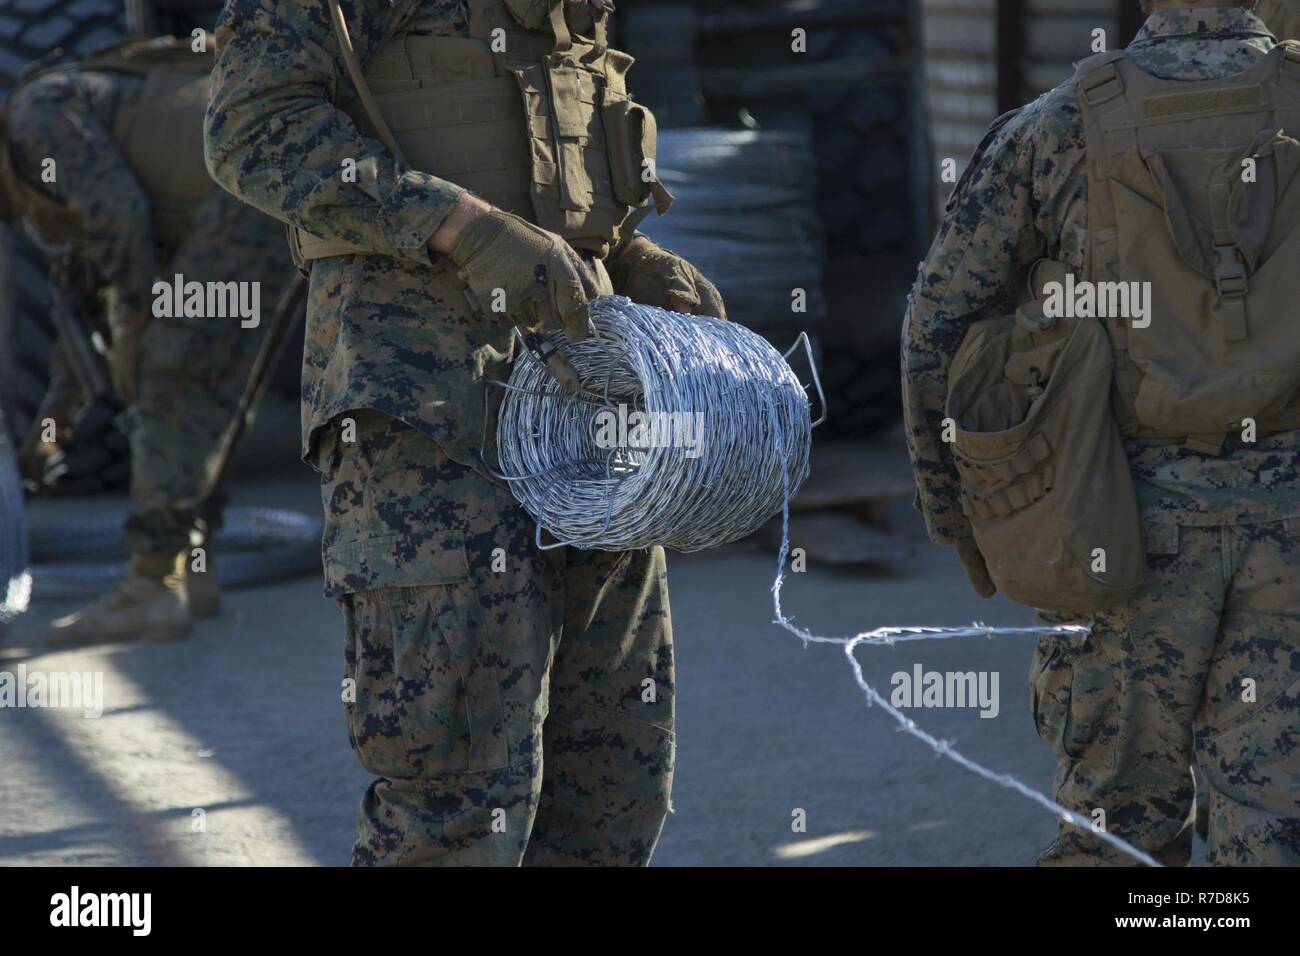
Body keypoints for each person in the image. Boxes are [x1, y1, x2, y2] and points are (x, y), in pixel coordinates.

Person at [204, 0, 724, 865]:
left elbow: (551, 158)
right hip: (425, 416)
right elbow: (252, 128)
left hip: (587, 407)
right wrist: (459, 228)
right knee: (457, 795)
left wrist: (624, 255)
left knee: (614, 774)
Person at [903, 1, 1300, 865]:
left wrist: (965, 520)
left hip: (1111, 522)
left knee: (1117, 836)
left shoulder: (1054, 127)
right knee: (1275, 827)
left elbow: (938, 328)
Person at [0, 34, 293, 644]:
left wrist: (134, 326)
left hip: (245, 192)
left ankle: (149, 588)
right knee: (211, 388)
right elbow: (78, 330)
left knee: (176, 376)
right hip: (256, 193)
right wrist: (46, 438)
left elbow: (119, 218)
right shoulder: (43, 162)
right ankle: (194, 570)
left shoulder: (38, 118)